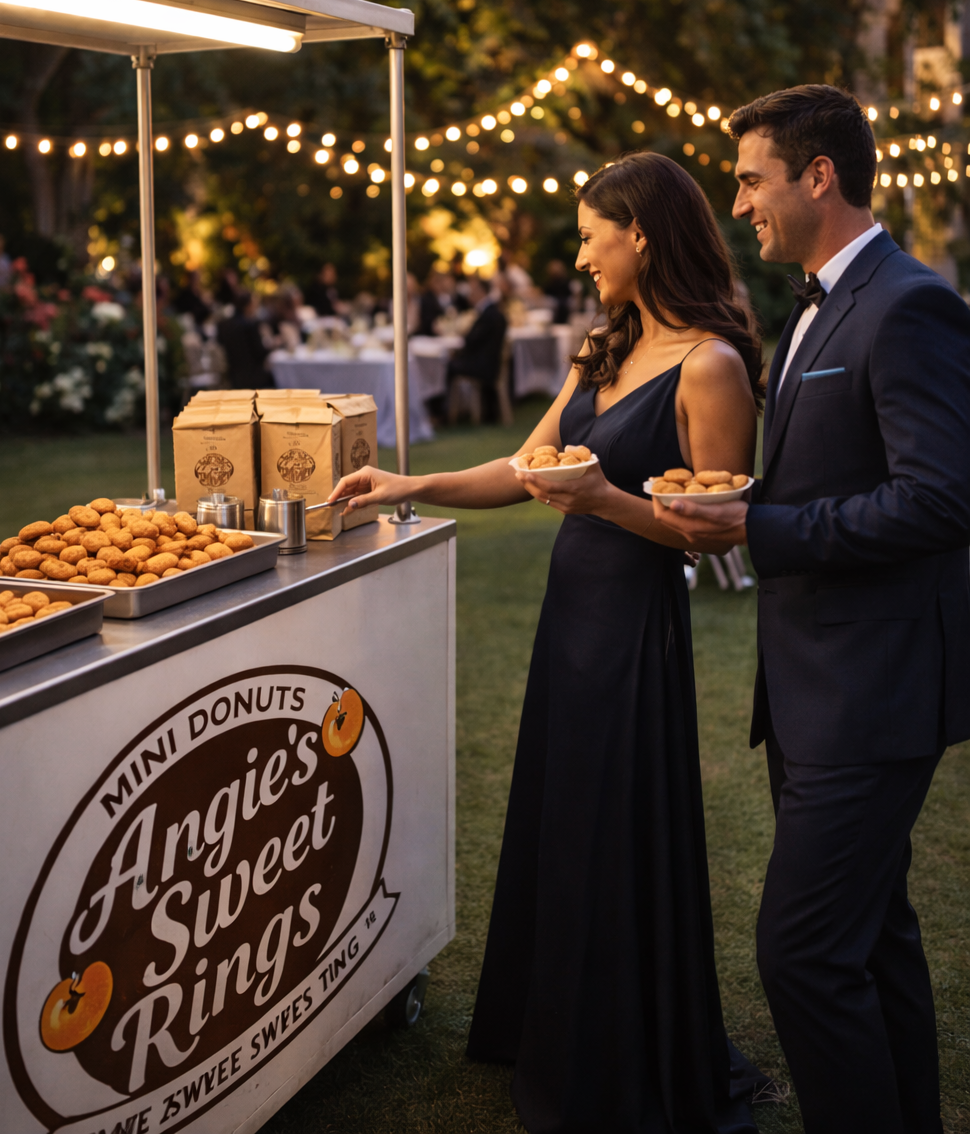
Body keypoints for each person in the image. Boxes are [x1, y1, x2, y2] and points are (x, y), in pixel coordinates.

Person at [328, 153, 771, 1132]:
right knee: (561, 816)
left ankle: (623, 1047)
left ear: (640, 234)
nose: (579, 255)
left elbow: (716, 524)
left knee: (616, 824)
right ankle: (552, 1022)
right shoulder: (596, 351)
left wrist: (606, 498)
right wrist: (409, 486)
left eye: (587, 234)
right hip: (569, 612)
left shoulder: (711, 364)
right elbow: (525, 468)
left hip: (635, 623)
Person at [653, 85, 970, 1134]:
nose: (737, 203)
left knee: (800, 952)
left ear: (817, 175)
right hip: (809, 687)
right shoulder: (815, 303)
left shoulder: (906, 302)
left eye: (749, 179)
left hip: (872, 691)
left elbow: (941, 498)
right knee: (872, 937)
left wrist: (761, 531)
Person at [446, 274, 507, 422]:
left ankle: (449, 414)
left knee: (448, 366)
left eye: (472, 290)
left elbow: (471, 341)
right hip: (491, 364)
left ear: (481, 291)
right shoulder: (494, 312)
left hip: (484, 366)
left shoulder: (488, 314)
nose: (469, 294)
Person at [215, 294, 273, 389]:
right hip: (255, 378)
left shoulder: (223, 326)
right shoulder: (250, 326)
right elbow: (260, 354)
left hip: (234, 378)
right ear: (248, 306)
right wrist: (273, 345)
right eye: (254, 305)